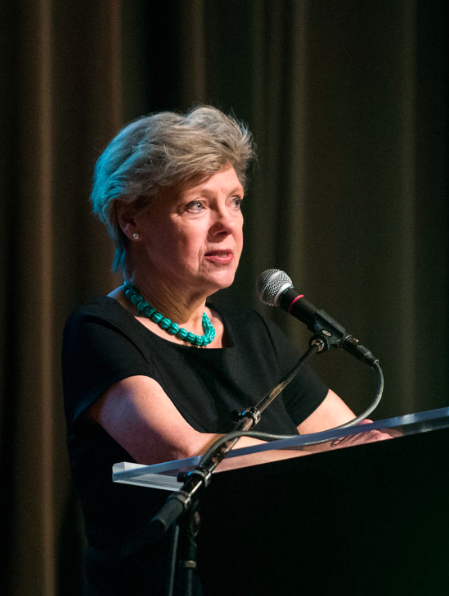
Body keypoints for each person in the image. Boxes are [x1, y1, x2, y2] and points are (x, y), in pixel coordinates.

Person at [62, 106, 370, 595]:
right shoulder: (100, 331)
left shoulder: (254, 334)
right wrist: (320, 462)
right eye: (197, 206)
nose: (228, 225)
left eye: (235, 201)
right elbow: (182, 451)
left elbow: (354, 442)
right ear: (131, 221)